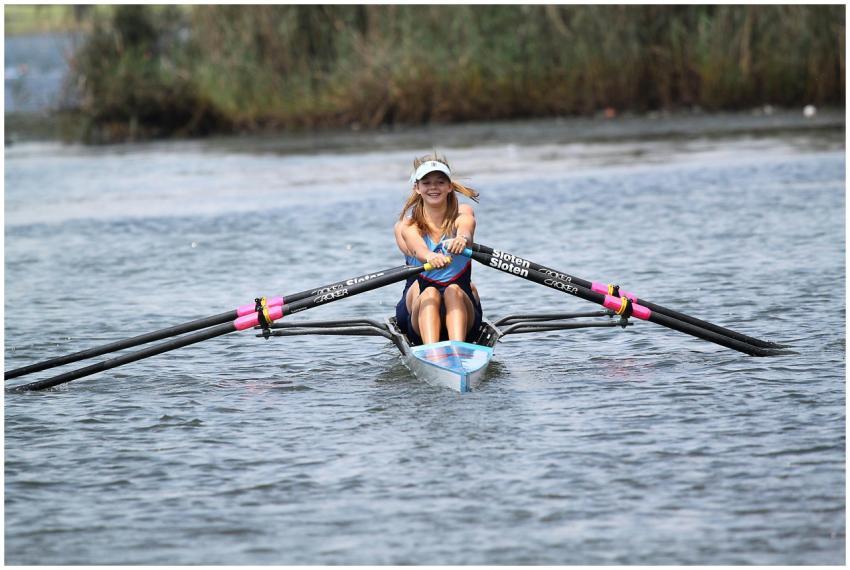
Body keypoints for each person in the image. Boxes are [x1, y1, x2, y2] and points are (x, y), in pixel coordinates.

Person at [394, 154, 482, 345]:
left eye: (440, 182)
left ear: (449, 187)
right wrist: (430, 256)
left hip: (464, 314)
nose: (433, 187)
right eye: (426, 183)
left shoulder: (462, 215)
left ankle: (459, 350)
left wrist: (461, 239)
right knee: (429, 293)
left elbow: (466, 228)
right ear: (417, 188)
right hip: (422, 313)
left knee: (453, 290)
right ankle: (432, 352)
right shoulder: (409, 226)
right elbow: (419, 250)